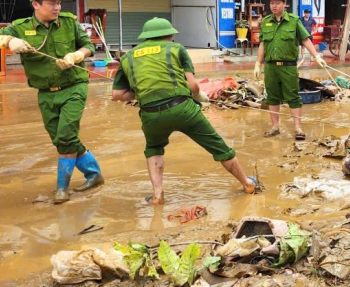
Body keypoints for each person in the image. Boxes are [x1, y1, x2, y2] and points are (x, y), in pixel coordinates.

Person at [0, 0, 103, 204]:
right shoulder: (20, 27)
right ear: (36, 5)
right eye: (51, 3)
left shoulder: (68, 22)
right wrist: (7, 40)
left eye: (58, 2)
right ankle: (94, 174)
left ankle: (62, 189)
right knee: (61, 140)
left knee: (66, 135)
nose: (57, 7)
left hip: (74, 87)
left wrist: (76, 55)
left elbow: (89, 46)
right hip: (46, 93)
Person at [110, 18, 256, 204]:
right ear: (168, 35)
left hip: (151, 114)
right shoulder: (176, 49)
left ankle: (157, 195)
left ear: (146, 37)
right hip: (182, 109)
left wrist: (142, 93)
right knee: (218, 146)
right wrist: (200, 96)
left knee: (154, 149)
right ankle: (247, 184)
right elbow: (193, 86)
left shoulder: (128, 57)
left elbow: (116, 95)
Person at [255, 0, 326, 140]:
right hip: (271, 67)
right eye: (272, 3)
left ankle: (298, 129)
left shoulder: (294, 21)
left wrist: (316, 56)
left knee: (293, 97)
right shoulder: (266, 21)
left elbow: (305, 40)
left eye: (277, 3)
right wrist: (257, 63)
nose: (274, 6)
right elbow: (262, 43)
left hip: (288, 66)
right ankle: (275, 127)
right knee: (272, 97)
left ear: (284, 4)